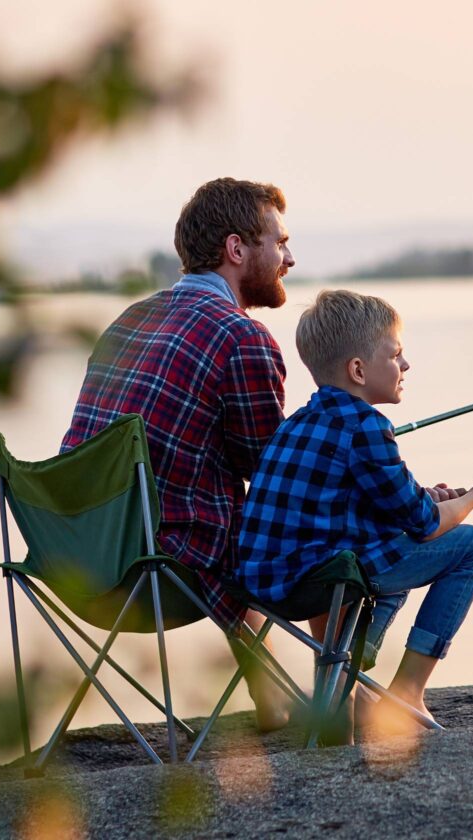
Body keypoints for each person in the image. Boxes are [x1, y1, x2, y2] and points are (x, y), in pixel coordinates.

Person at [61, 177, 296, 729]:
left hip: (76, 558)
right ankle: (323, 700)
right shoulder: (242, 338)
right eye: (279, 242)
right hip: (156, 572)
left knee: (223, 512)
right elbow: (269, 478)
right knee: (289, 518)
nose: (290, 257)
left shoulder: (129, 319)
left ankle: (274, 698)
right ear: (237, 249)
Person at [235, 290, 473, 734]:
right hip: (323, 582)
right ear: (359, 370)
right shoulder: (366, 426)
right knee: (470, 546)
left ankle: (348, 680)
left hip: (264, 587)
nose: (406, 366)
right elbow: (423, 523)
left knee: (388, 542)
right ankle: (406, 690)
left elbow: (355, 497)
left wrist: (428, 494)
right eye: (397, 355)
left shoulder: (296, 423)